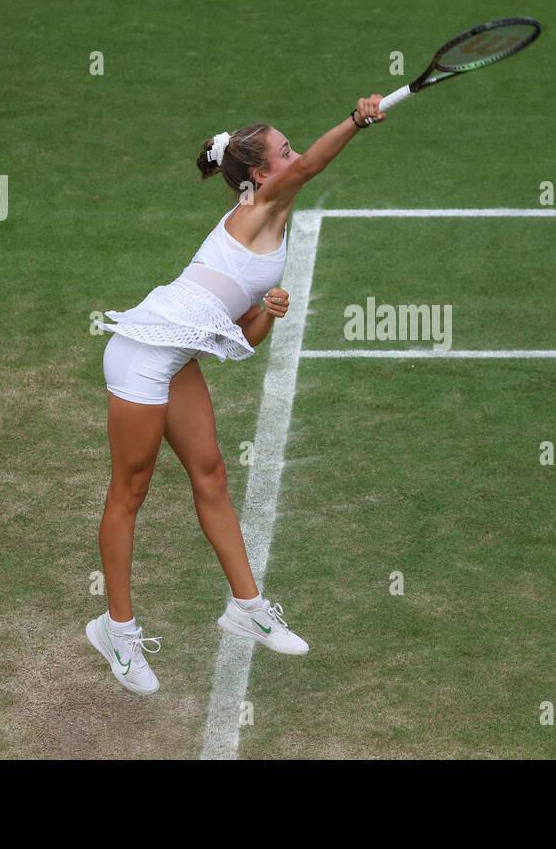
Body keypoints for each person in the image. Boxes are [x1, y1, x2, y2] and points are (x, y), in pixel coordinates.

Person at [85, 94, 387, 694]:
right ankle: (115, 630)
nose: (295, 157)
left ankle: (246, 607)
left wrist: (269, 313)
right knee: (131, 490)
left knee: (212, 474)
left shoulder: (268, 218)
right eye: (284, 152)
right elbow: (311, 168)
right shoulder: (255, 211)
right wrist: (357, 120)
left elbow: (244, 339)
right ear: (260, 174)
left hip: (176, 359)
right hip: (141, 359)